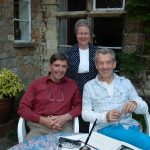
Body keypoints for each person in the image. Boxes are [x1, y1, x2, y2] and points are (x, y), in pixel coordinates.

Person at [82, 48, 150, 149]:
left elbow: (144, 108)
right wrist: (105, 117)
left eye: (108, 62)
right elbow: (85, 114)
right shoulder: (89, 86)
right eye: (101, 63)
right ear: (96, 65)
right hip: (104, 129)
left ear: (114, 64)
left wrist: (135, 104)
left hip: (129, 127)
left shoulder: (125, 83)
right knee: (145, 142)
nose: (104, 67)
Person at [18, 53, 82, 140]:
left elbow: (79, 105)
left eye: (64, 66)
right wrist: (43, 120)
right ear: (50, 66)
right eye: (57, 65)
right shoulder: (37, 84)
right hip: (39, 127)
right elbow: (22, 108)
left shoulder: (71, 84)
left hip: (63, 126)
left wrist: (66, 117)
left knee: (70, 147)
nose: (60, 69)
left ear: (67, 68)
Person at [65, 19, 98, 132]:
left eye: (86, 33)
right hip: (74, 89)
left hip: (93, 91)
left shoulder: (96, 52)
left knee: (90, 117)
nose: (83, 36)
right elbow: (64, 74)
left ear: (90, 35)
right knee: (77, 117)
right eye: (80, 33)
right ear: (76, 34)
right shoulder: (68, 52)